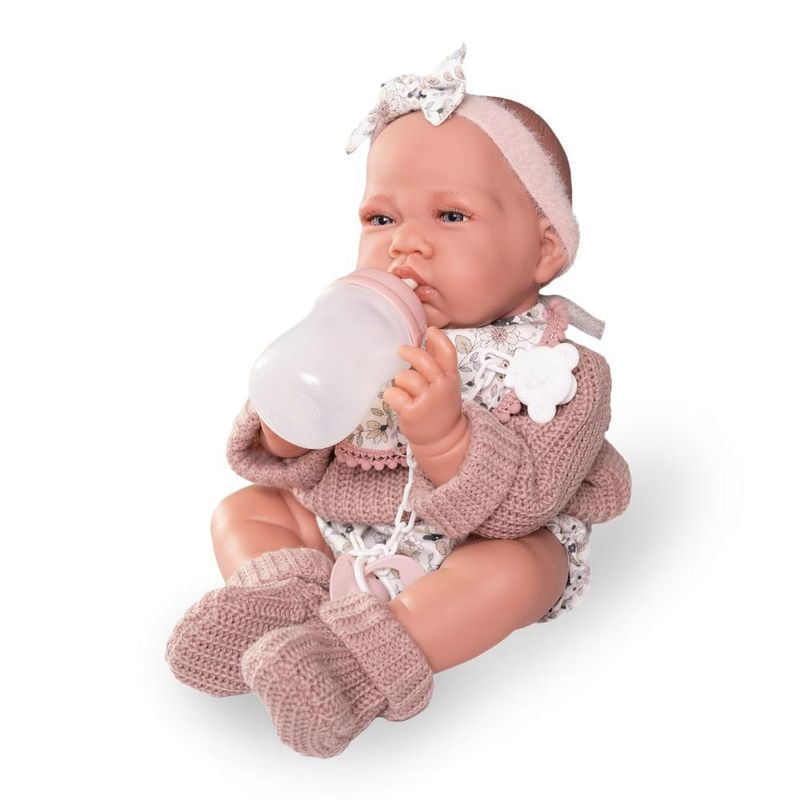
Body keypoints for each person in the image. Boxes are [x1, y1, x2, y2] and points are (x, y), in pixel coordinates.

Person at [165, 44, 631, 758]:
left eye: (450, 215)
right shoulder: (361, 331)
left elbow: (528, 505)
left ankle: (352, 667)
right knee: (246, 508)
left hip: (470, 549)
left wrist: (446, 439)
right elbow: (292, 451)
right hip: (343, 530)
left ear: (543, 251)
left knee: (524, 568)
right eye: (381, 220)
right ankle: (287, 601)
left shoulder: (557, 369)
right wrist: (291, 420)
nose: (406, 246)